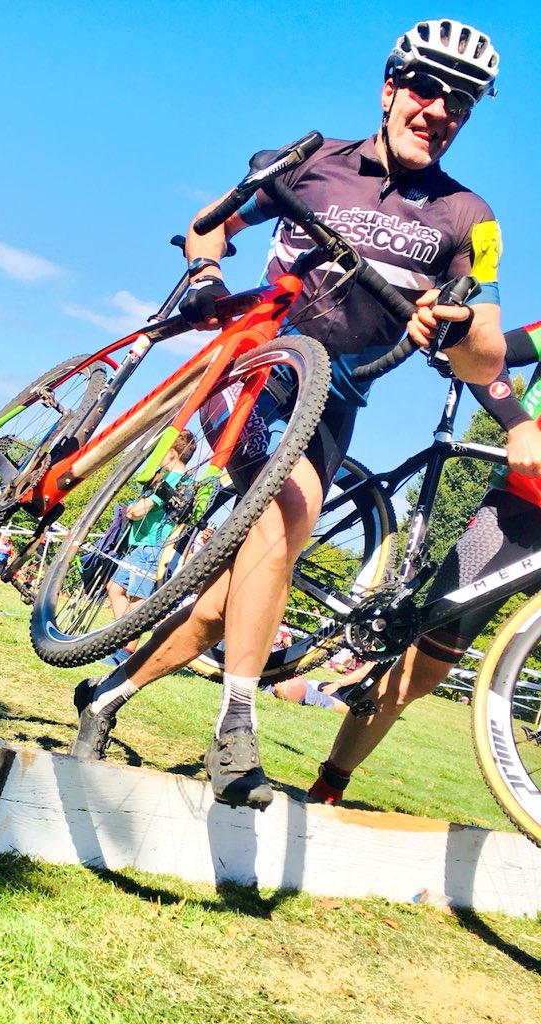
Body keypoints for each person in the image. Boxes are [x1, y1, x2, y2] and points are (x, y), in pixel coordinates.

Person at [69, 19, 507, 811]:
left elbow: (483, 356)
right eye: (426, 88)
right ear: (390, 87)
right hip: (261, 369)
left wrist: (459, 327)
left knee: (227, 598)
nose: (439, 109)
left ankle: (105, 696)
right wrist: (206, 273)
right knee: (290, 505)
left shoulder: (470, 217)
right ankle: (236, 727)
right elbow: (210, 224)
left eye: (461, 102)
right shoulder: (311, 161)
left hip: (339, 399)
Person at [309, 319, 541, 802]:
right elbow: (485, 360)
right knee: (420, 671)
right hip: (519, 511)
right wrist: (519, 428)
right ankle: (331, 781)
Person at [101, 431, 198, 666]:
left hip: (154, 546)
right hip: (141, 544)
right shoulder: (177, 479)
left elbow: (138, 512)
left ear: (172, 453)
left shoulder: (173, 480)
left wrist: (131, 509)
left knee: (137, 599)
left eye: (161, 452)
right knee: (114, 587)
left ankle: (124, 653)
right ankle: (120, 639)